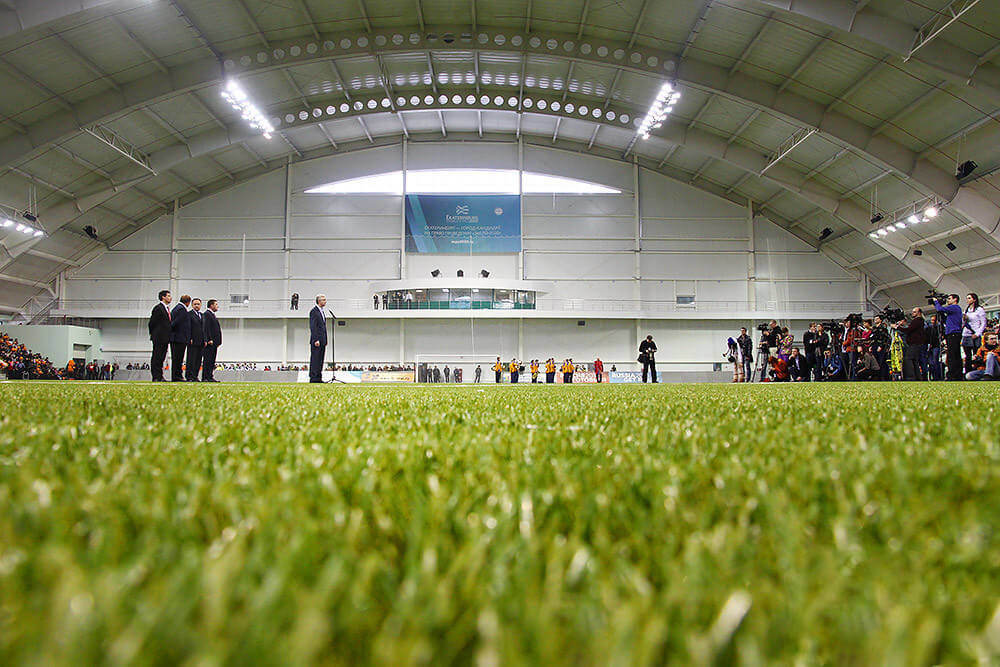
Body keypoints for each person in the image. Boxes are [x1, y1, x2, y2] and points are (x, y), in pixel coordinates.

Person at [934, 294, 964, 380]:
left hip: (953, 333)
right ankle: (956, 374)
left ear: (955, 299)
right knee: (954, 354)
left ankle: (953, 374)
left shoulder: (954, 307)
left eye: (950, 299)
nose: (948, 300)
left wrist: (936, 301)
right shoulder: (954, 310)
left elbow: (939, 309)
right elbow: (945, 319)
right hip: (953, 333)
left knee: (952, 355)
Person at [148, 289, 172, 382]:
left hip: (165, 338)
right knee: (157, 357)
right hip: (159, 337)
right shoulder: (158, 308)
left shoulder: (166, 309)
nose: (170, 298)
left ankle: (160, 375)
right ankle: (156, 376)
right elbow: (152, 322)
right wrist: (154, 334)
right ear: (163, 297)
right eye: (168, 296)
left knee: (162, 357)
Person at [898, 307, 926, 381]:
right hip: (916, 343)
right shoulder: (918, 321)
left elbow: (908, 330)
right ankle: (917, 377)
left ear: (919, 313)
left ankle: (911, 377)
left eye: (914, 312)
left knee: (908, 359)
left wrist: (898, 327)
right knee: (914, 360)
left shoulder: (918, 320)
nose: (912, 313)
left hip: (915, 343)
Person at [169, 294, 191, 382]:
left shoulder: (176, 308)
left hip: (176, 337)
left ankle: (176, 375)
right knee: (178, 358)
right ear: (188, 302)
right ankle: (177, 376)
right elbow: (176, 323)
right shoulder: (182, 310)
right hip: (179, 338)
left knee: (176, 358)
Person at [963, 293, 986, 373]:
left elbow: (983, 323)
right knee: (968, 356)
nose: (967, 300)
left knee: (976, 354)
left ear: (974, 299)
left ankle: (977, 371)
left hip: (975, 333)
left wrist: (977, 333)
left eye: (969, 298)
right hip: (966, 334)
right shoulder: (967, 310)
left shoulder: (979, 309)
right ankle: (968, 372)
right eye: (967, 298)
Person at [309, 294, 328, 383]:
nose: (325, 301)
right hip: (317, 340)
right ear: (319, 301)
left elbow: (323, 327)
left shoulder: (322, 311)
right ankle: (313, 377)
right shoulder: (314, 311)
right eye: (323, 300)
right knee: (315, 359)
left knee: (320, 359)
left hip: (322, 340)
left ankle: (318, 377)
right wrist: (316, 339)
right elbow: (313, 327)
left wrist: (325, 339)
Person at [202, 299, 222, 382]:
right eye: (216, 304)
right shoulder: (207, 314)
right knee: (208, 360)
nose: (217, 306)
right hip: (210, 342)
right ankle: (206, 377)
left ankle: (209, 376)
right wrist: (209, 339)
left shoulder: (212, 315)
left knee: (211, 360)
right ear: (211, 305)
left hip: (214, 342)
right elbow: (206, 328)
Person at [185, 298, 204, 382]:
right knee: (191, 359)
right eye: (195, 304)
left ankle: (195, 376)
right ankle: (189, 376)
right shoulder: (189, 315)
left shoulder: (202, 315)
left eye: (198, 304)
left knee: (198, 360)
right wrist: (189, 338)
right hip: (193, 341)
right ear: (192, 305)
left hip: (201, 341)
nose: (197, 306)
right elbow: (187, 328)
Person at [870, 316, 890, 381]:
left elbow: (885, 338)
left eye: (877, 319)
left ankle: (883, 377)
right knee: (875, 362)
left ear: (880, 320)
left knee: (881, 362)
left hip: (880, 346)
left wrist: (881, 346)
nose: (875, 320)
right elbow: (872, 337)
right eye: (875, 319)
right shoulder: (874, 328)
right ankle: (876, 377)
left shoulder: (883, 327)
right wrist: (871, 345)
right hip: (874, 346)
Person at [926, 313, 943, 381]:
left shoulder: (938, 328)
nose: (932, 322)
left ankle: (937, 376)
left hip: (935, 346)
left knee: (935, 361)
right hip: (930, 347)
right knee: (931, 363)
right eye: (931, 320)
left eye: (933, 320)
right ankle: (933, 376)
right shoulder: (929, 328)